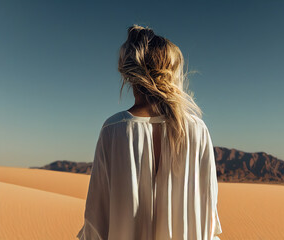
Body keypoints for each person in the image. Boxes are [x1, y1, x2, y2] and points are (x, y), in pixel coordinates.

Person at [76, 24, 222, 240]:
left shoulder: (113, 129)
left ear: (128, 74)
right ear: (173, 72)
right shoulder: (197, 130)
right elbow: (208, 218)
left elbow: (96, 223)